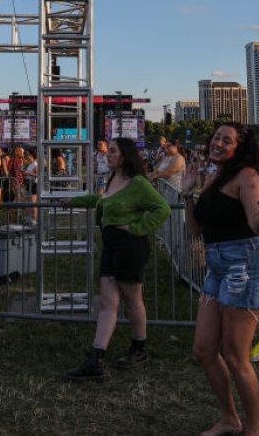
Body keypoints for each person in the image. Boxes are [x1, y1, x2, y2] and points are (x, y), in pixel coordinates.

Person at [183, 123, 259, 436]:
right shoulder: (213, 177)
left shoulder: (248, 177)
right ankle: (229, 419)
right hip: (217, 264)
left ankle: (253, 430)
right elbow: (196, 230)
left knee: (236, 356)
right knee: (204, 350)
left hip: (245, 263)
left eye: (227, 140)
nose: (218, 143)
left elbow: (255, 226)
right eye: (216, 137)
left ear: (239, 148)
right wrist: (187, 193)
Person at [62, 138, 171, 381]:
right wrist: (75, 201)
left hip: (130, 246)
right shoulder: (113, 179)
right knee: (108, 302)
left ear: (124, 156)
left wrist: (135, 227)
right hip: (111, 246)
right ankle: (96, 359)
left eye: (112, 151)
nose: (107, 155)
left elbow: (162, 208)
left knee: (132, 299)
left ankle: (139, 348)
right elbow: (102, 201)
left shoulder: (138, 183)